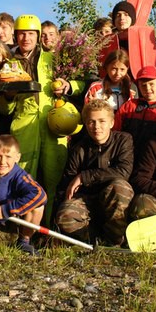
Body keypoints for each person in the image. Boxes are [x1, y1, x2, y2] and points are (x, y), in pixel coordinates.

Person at [0, 14, 85, 224]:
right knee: (22, 179)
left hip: (54, 126)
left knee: (54, 179)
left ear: (37, 36)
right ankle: (21, 228)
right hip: (24, 129)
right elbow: (3, 109)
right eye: (21, 34)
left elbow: (82, 83)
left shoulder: (54, 58)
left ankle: (49, 228)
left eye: (30, 34)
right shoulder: (8, 64)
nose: (26, 38)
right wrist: (8, 96)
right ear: (15, 36)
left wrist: (69, 85)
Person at [55, 99, 134, 245]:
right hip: (87, 200)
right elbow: (68, 183)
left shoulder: (124, 140)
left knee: (120, 187)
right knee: (65, 215)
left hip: (112, 199)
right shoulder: (79, 148)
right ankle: (92, 241)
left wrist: (84, 177)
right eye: (91, 122)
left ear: (111, 123)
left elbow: (123, 171)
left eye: (102, 121)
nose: (96, 127)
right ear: (86, 124)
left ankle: (115, 241)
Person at [84, 50, 138, 131]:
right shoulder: (96, 87)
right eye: (114, 69)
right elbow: (86, 114)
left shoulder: (131, 89)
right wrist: (93, 106)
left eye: (122, 69)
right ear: (106, 67)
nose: (118, 73)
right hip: (101, 132)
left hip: (124, 134)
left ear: (127, 69)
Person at [119, 65, 156, 145]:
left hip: (153, 156)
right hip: (128, 154)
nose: (147, 88)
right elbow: (116, 130)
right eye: (143, 85)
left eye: (151, 84)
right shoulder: (129, 106)